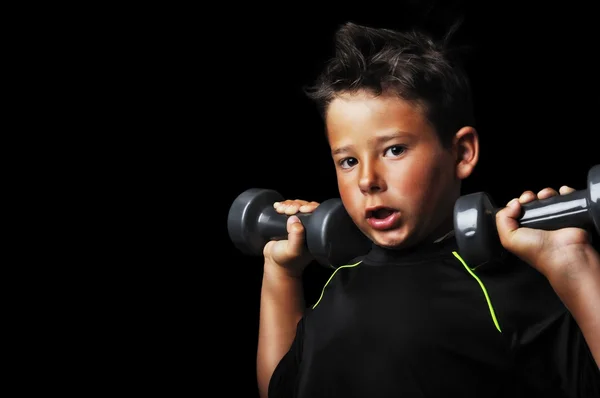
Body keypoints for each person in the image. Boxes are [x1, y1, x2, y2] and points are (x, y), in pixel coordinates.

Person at [256, 21, 600, 398]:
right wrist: (282, 273)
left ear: (462, 152)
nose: (367, 179)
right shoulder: (337, 285)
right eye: (348, 161)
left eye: (394, 150)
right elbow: (281, 388)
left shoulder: (506, 287)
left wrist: (573, 263)